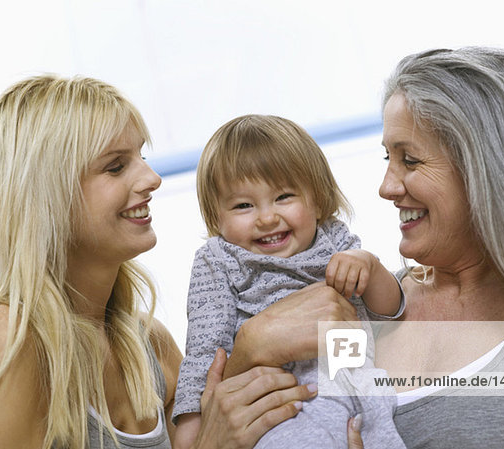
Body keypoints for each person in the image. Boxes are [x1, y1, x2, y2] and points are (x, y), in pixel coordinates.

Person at [0, 75, 317, 449]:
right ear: (47, 195)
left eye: (141, 157)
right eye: (115, 167)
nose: (152, 178)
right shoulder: (3, 341)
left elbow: (373, 375)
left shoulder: (151, 345)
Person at [226, 47, 504, 448]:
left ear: (488, 171)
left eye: (411, 160)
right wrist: (248, 350)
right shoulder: (360, 306)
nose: (387, 187)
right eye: (388, 157)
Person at [172, 114, 406, 449]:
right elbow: (206, 352)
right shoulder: (220, 260)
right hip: (280, 402)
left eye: (284, 197)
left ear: (317, 199)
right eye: (243, 205)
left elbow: (391, 311)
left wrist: (369, 266)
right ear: (216, 217)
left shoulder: (335, 241)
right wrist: (193, 430)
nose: (267, 218)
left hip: (362, 389)